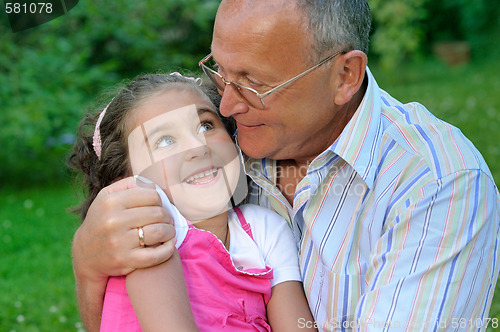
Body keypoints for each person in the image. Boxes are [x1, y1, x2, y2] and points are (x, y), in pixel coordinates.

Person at [72, 0, 500, 331]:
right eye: (220, 72)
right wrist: (88, 266)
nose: (225, 105)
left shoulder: (438, 185)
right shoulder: (234, 138)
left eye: (253, 83)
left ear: (345, 76)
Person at [69, 72, 316, 331]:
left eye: (206, 126)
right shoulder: (148, 227)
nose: (197, 147)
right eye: (165, 141)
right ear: (127, 178)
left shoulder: (265, 230)